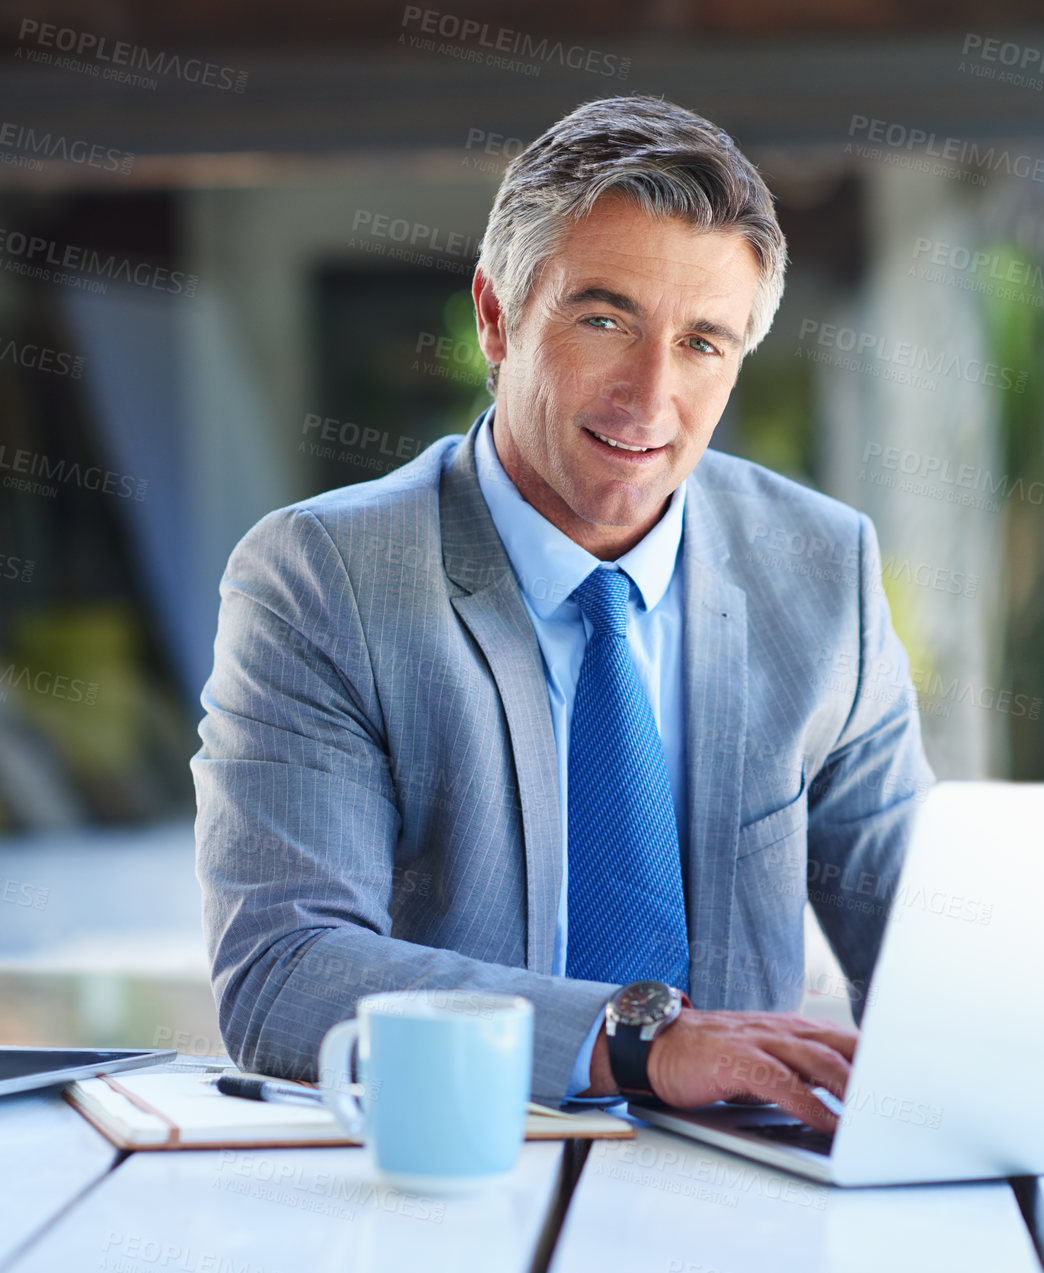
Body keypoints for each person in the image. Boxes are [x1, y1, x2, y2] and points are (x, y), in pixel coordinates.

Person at [192, 95, 931, 1134]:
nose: (650, 396)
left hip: (748, 1192)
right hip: (462, 1172)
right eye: (604, 319)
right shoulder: (323, 578)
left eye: (703, 343)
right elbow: (286, 973)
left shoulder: (823, 569)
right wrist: (635, 1042)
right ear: (496, 317)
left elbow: (926, 947)